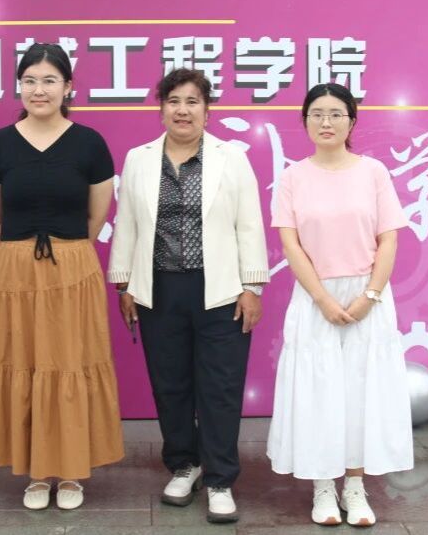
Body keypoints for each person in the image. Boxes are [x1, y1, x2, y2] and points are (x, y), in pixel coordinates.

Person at [108, 68, 269, 524]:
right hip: (158, 289)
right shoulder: (139, 159)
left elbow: (249, 224)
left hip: (221, 290)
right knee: (171, 383)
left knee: (220, 387)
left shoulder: (230, 158)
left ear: (207, 110)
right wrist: (124, 284)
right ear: (161, 109)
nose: (183, 110)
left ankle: (220, 479)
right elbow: (127, 223)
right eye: (174, 101)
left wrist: (252, 287)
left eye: (192, 101)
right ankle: (184, 464)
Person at [0, 42, 124, 511]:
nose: (38, 90)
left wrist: (64, 253)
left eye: (49, 81)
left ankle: (72, 471)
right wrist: (22, 256)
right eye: (29, 81)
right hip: (15, 273)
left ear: (68, 87)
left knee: (70, 364)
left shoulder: (90, 144)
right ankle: (37, 473)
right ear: (19, 86)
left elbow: (96, 218)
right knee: (24, 362)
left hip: (73, 268)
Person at [266, 83, 414, 527]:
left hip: (368, 296)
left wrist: (370, 295)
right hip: (316, 298)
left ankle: (354, 485)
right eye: (316, 114)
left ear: (352, 121)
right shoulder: (293, 178)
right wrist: (323, 299)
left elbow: (389, 239)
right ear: (305, 121)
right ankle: (323, 487)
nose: (326, 122)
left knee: (359, 393)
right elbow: (291, 245)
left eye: (335, 114)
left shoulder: (374, 172)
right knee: (319, 394)